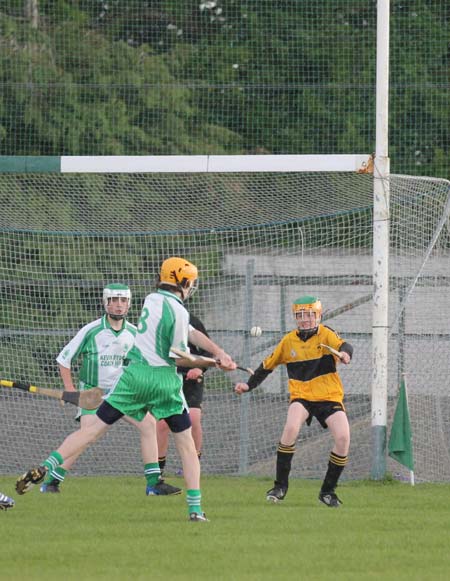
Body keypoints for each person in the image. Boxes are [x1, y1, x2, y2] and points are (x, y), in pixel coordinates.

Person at [16, 257, 237, 522]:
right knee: (186, 445)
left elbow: (189, 331)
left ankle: (47, 466)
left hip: (132, 378)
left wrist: (219, 351)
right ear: (184, 282)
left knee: (91, 431)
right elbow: (177, 356)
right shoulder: (178, 311)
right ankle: (195, 510)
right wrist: (213, 362)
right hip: (162, 382)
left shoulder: (152, 300)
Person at [40, 282, 181, 496]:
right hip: (93, 394)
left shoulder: (136, 333)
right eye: (113, 300)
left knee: (149, 424)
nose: (118, 305)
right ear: (105, 303)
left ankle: (154, 483)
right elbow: (64, 359)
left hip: (123, 393)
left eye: (123, 300)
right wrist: (70, 390)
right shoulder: (92, 330)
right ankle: (51, 481)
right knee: (87, 436)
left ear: (129, 304)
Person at [235, 295, 353, 508]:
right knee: (290, 428)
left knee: (343, 438)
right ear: (295, 317)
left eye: (310, 315)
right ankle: (280, 487)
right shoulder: (288, 341)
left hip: (329, 397)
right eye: (300, 315)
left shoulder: (326, 334)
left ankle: (327, 492)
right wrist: (248, 385)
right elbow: (266, 366)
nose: (305, 319)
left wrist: (345, 354)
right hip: (302, 396)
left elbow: (344, 345)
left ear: (318, 316)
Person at [157, 313, 209, 475]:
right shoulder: (157, 322)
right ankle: (158, 469)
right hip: (168, 377)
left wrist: (199, 368)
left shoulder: (192, 321)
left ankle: (193, 464)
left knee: (193, 418)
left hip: (191, 378)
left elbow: (208, 353)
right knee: (162, 423)